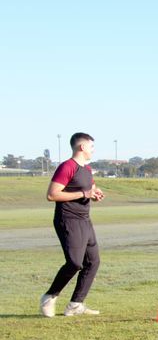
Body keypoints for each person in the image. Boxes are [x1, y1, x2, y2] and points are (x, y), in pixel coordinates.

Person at [40, 133, 105, 317]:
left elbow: (89, 189)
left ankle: (76, 304)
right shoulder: (67, 166)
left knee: (93, 262)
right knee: (75, 263)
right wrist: (83, 194)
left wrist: (95, 193)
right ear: (82, 147)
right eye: (91, 147)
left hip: (85, 220)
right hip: (68, 220)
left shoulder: (87, 169)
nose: (93, 150)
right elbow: (52, 195)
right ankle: (49, 296)